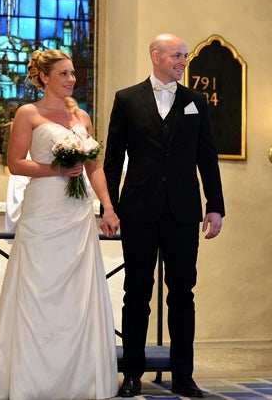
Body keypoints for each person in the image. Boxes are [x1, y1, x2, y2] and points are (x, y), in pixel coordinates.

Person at [0, 49, 120, 399]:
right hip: (44, 210)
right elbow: (16, 163)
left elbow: (94, 167)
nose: (71, 79)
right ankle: (32, 379)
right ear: (44, 77)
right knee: (39, 288)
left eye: (73, 73)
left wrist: (108, 208)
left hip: (78, 212)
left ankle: (78, 379)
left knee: (77, 294)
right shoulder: (29, 113)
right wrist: (57, 169)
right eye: (64, 74)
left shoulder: (81, 116)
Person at [103, 33, 225, 398]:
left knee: (183, 294)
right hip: (138, 210)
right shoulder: (127, 99)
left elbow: (207, 156)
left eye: (185, 56)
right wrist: (109, 207)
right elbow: (113, 159)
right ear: (156, 56)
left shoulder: (195, 101)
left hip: (183, 212)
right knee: (136, 293)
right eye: (176, 55)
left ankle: (184, 376)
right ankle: (132, 375)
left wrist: (215, 206)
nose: (183, 61)